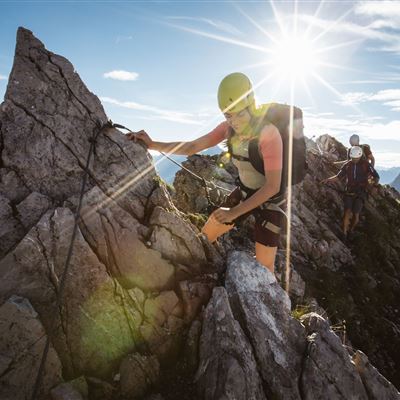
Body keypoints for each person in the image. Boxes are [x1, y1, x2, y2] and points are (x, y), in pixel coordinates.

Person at [127, 72, 286, 274]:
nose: (234, 121)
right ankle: (201, 272)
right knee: (205, 236)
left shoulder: (268, 133)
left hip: (271, 201)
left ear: (251, 105)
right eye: (228, 115)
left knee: (265, 268)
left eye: (239, 113)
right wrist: (152, 144)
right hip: (245, 192)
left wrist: (235, 212)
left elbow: (272, 186)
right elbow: (193, 146)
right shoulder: (228, 128)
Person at [322, 146, 380, 238]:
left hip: (361, 192)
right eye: (353, 158)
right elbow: (338, 176)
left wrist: (374, 186)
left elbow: (376, 176)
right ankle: (344, 233)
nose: (354, 160)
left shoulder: (366, 165)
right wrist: (328, 180)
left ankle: (351, 230)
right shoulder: (347, 165)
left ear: (360, 156)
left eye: (356, 158)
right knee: (347, 211)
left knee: (356, 214)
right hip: (349, 191)